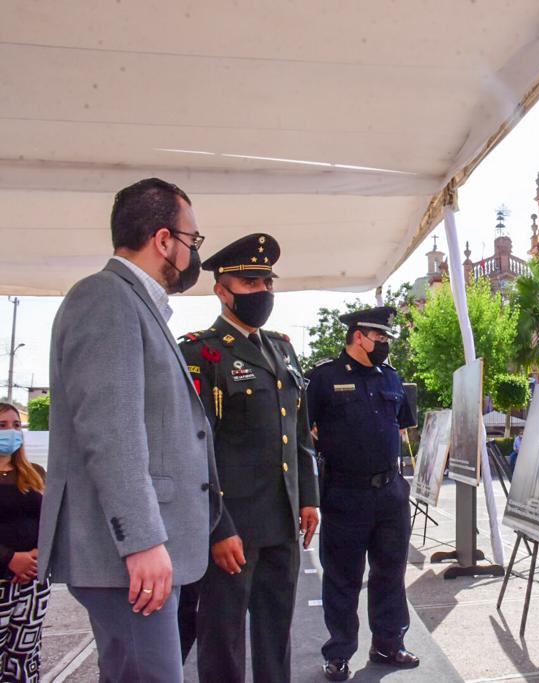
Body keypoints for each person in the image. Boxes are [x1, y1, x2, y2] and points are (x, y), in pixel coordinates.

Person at [37, 178, 222, 681]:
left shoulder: (132, 303)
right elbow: (110, 430)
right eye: (192, 240)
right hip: (132, 557)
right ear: (163, 240)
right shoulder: (107, 298)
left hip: (141, 557)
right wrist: (141, 541)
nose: (193, 253)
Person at [176, 234, 319, 682]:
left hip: (280, 522)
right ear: (222, 289)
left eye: (267, 282)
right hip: (231, 530)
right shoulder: (200, 352)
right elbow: (194, 448)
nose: (262, 292)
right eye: (250, 282)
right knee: (223, 637)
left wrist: (308, 497)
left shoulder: (281, 348)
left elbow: (299, 433)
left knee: (277, 633)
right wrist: (218, 527)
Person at [306, 306, 418, 681]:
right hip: (345, 495)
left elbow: (400, 426)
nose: (385, 344)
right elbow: (303, 434)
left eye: (386, 338)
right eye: (380, 338)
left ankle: (388, 643)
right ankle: (339, 653)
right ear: (358, 336)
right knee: (342, 577)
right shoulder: (323, 378)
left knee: (390, 572)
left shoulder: (391, 378)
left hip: (389, 493)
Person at [0, 403, 48, 681]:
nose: (12, 432)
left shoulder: (34, 473)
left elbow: (48, 519)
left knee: (24, 659)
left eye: (16, 425)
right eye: (3, 425)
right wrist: (10, 559)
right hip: (4, 577)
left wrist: (39, 553)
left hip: (32, 586)